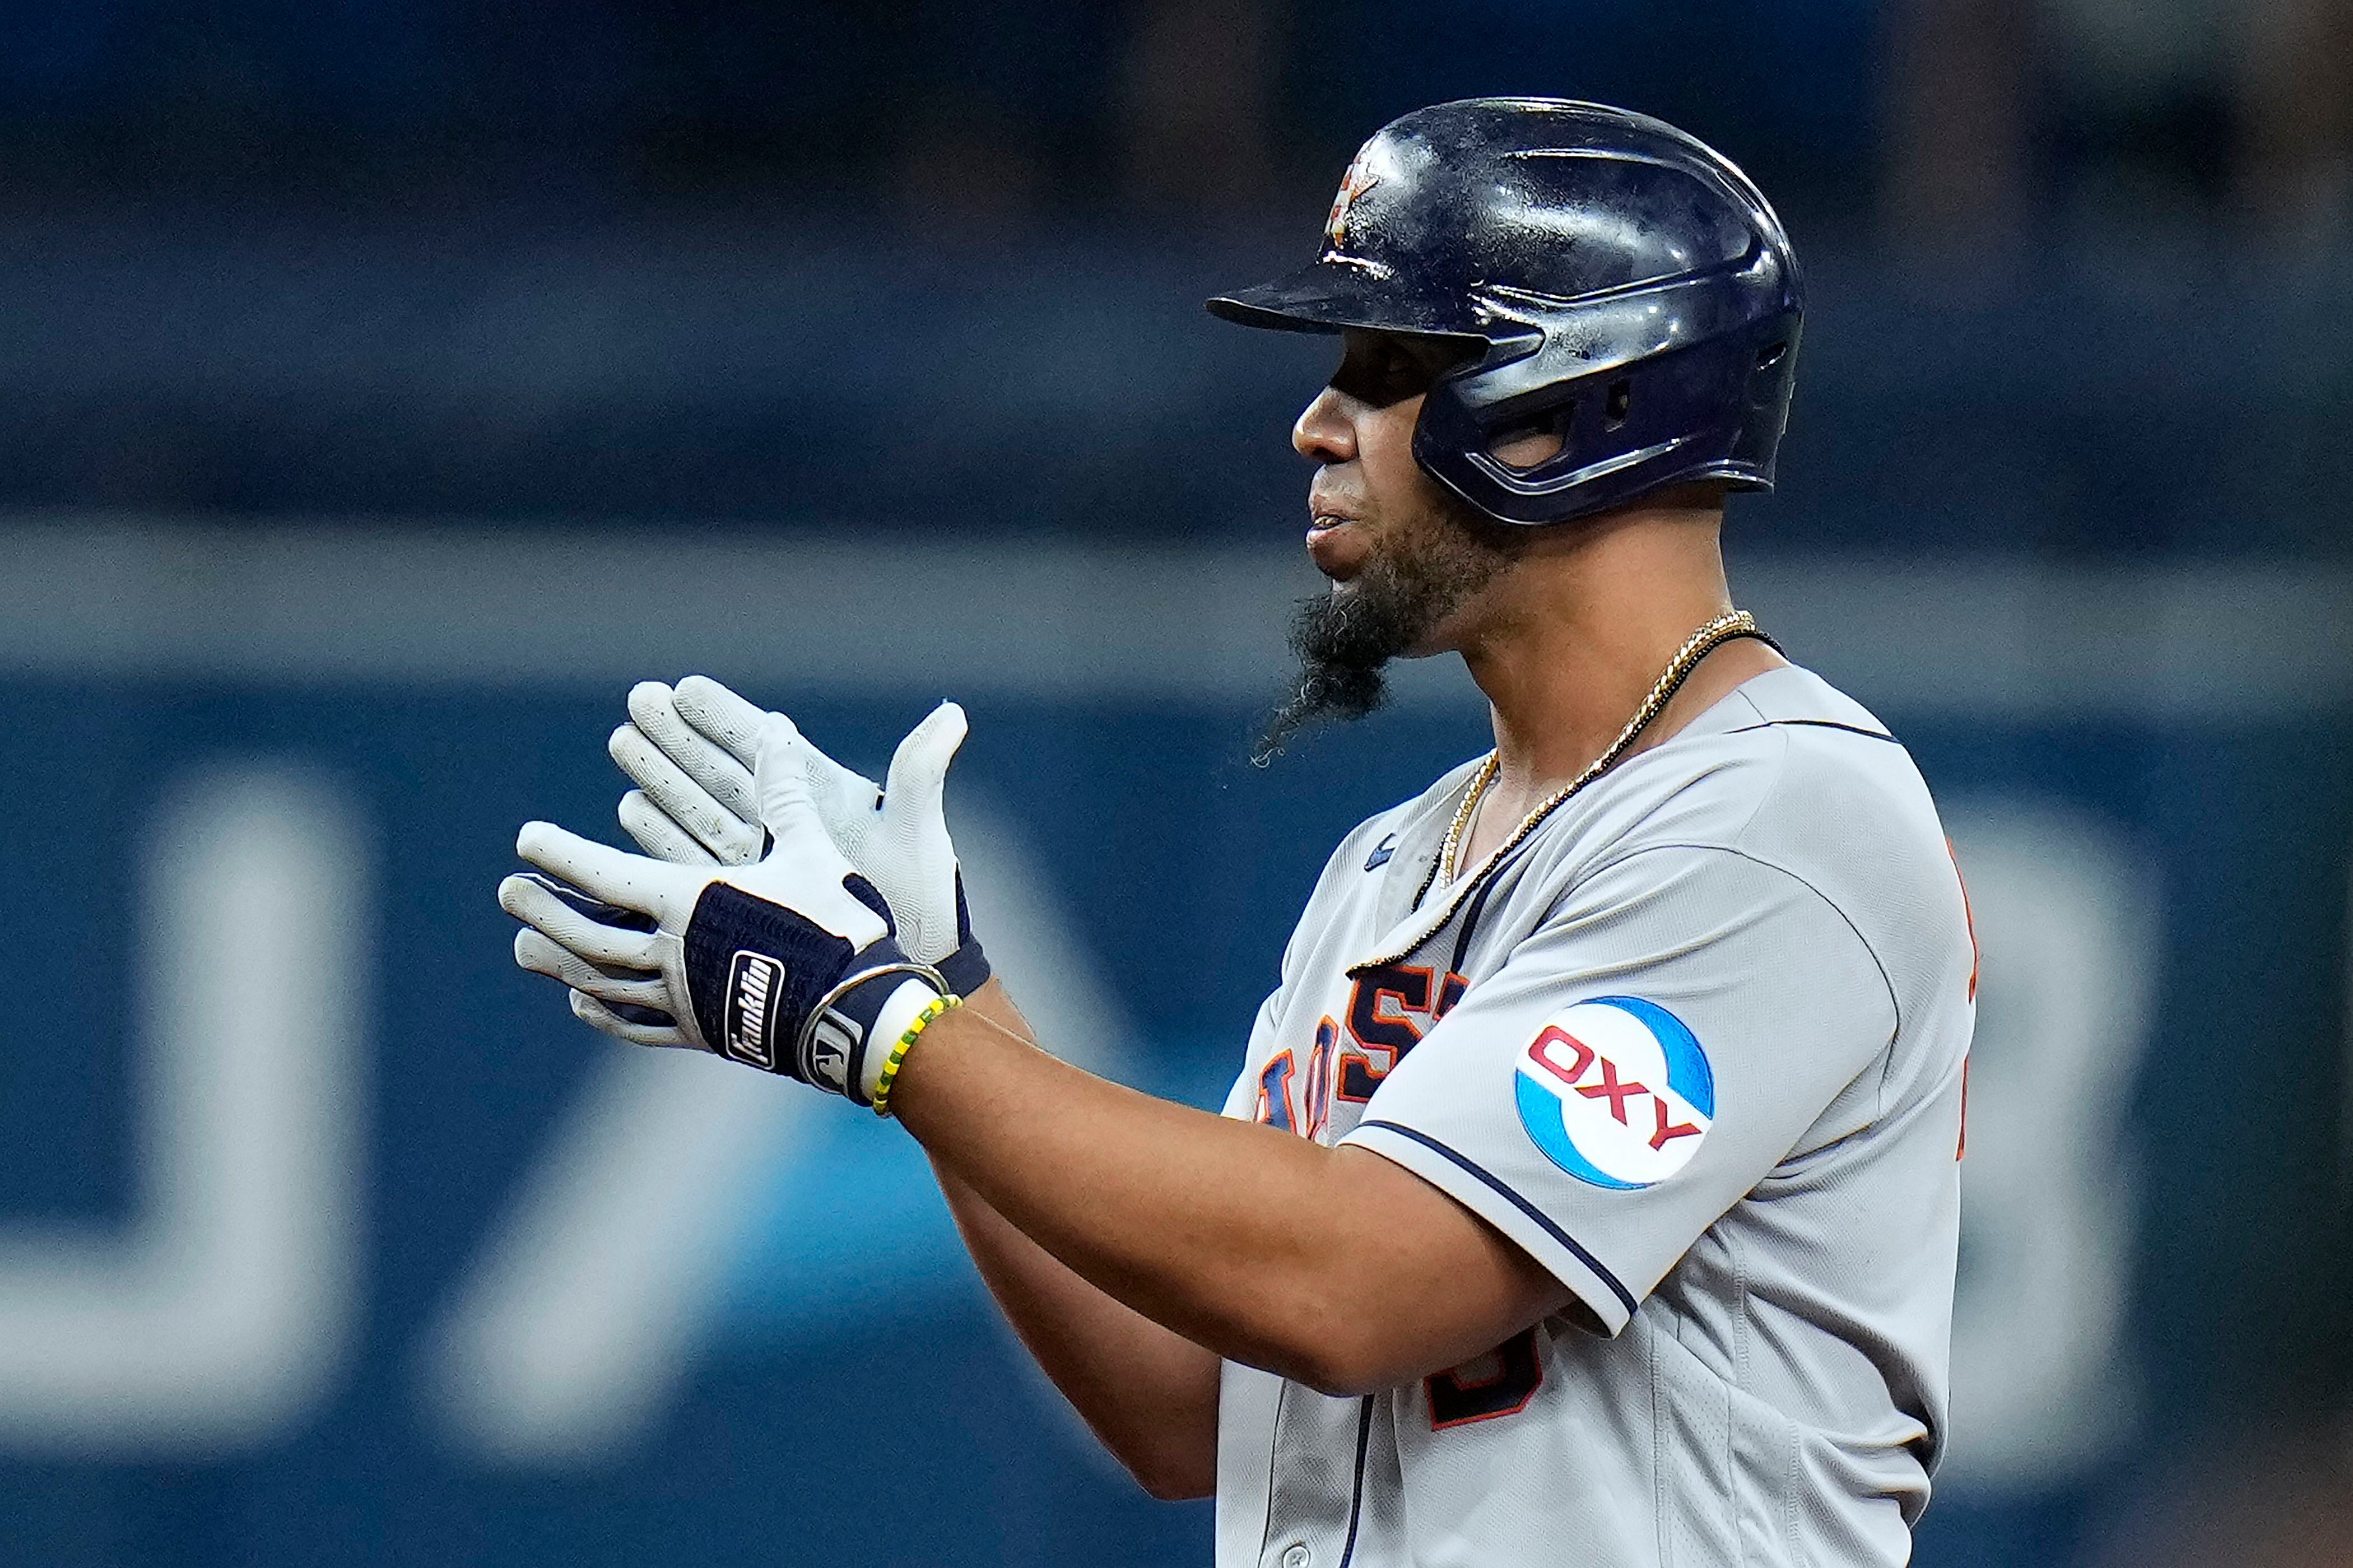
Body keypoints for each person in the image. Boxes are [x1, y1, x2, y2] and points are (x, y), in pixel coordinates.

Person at [499, 98, 1977, 1568]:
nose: (1316, 426)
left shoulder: (1778, 820)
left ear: (1583, 401)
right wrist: (942, 984)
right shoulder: (1393, 866)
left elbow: (1359, 1286)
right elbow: (1178, 1403)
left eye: (1388, 368)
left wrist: (879, 1031)